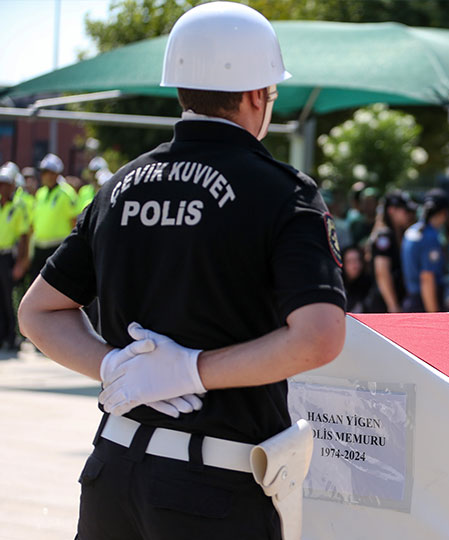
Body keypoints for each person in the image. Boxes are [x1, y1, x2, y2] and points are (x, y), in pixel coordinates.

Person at [17, 3, 346, 539]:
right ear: (253, 95)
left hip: (112, 474)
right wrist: (192, 370)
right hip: (213, 488)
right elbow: (319, 337)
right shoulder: (282, 191)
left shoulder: (118, 186)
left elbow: (38, 312)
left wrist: (115, 368)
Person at [29, 153, 78, 281]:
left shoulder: (67, 194)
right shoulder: (40, 193)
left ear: (56, 174)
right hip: (39, 248)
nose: (44, 175)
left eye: (48, 172)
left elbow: (74, 222)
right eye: (43, 172)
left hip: (57, 247)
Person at [366, 190, 416, 313]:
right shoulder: (384, 236)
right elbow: (382, 272)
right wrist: (393, 305)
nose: (408, 215)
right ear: (391, 210)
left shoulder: (396, 235)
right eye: (405, 211)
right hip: (384, 306)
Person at [401, 188, 448, 312]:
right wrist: (433, 316)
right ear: (443, 213)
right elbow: (427, 277)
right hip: (424, 303)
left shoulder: (412, 230)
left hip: (411, 299)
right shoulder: (430, 236)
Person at [0, 163, 30, 350]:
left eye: (5, 183)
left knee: (8, 297)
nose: (2, 187)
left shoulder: (19, 207)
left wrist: (21, 262)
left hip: (8, 256)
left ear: (12, 185)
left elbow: (24, 237)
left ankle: (12, 336)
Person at [342, 245, 372, 313]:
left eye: (357, 260)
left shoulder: (369, 286)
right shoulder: (339, 288)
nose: (354, 265)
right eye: (349, 261)